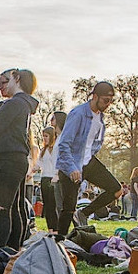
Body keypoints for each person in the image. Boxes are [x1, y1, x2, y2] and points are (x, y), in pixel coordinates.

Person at [55, 81, 123, 234]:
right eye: (106, 100)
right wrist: (72, 168)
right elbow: (64, 144)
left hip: (88, 162)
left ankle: (84, 213)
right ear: (95, 96)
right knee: (68, 208)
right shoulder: (78, 114)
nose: (108, 104)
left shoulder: (100, 118)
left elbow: (94, 143)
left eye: (111, 101)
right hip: (72, 164)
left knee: (116, 189)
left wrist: (90, 156)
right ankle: (59, 242)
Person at [0, 68, 39, 249]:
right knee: (15, 208)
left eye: (5, 81)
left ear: (16, 79)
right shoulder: (23, 105)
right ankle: (13, 249)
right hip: (16, 159)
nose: (0, 86)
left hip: (9, 159)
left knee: (2, 208)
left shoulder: (15, 104)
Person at [35, 113, 63, 233]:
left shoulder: (56, 149)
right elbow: (39, 164)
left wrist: (57, 175)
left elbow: (58, 163)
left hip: (54, 178)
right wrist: (31, 172)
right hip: (44, 178)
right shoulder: (43, 151)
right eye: (43, 136)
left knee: (54, 204)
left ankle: (57, 228)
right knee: (47, 205)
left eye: (46, 136)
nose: (44, 139)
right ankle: (50, 228)